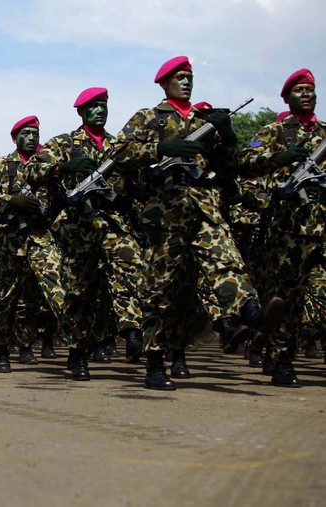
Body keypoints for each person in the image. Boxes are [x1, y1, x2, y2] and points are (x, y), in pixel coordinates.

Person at [112, 56, 283, 390]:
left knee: (227, 260)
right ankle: (155, 360)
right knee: (164, 290)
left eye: (190, 76)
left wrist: (228, 135)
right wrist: (159, 147)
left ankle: (251, 313)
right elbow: (118, 153)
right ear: (164, 83)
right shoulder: (150, 117)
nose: (187, 81)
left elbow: (234, 166)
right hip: (166, 210)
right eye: (180, 76)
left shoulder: (205, 118)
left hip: (205, 204)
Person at [27, 89, 149, 380]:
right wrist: (62, 167)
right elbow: (33, 168)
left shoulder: (118, 145)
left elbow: (140, 174)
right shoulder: (66, 143)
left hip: (113, 220)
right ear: (81, 113)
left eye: (103, 106)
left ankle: (132, 330)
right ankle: (77, 352)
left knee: (131, 268)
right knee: (78, 292)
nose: (99, 111)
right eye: (93, 107)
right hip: (78, 225)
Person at [238, 68, 326, 386]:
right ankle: (282, 360)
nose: (306, 93)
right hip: (288, 231)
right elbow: (245, 161)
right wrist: (278, 160)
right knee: (288, 300)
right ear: (288, 97)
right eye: (299, 89)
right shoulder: (276, 131)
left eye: (310, 89)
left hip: (322, 228)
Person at [0, 115, 68, 372]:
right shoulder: (2, 166)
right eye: (25, 133)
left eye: (35, 133)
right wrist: (8, 201)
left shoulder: (48, 166)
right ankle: (2, 349)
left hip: (40, 234)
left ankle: (52, 343)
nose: (32, 137)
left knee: (54, 282)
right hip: (9, 237)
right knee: (8, 297)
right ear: (15, 138)